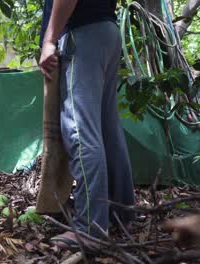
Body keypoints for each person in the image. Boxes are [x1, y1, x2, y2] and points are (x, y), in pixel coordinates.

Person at [38, 0, 136, 248]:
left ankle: (91, 227)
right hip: (105, 32)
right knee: (107, 130)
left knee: (80, 132)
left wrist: (49, 41)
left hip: (83, 35)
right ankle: (120, 215)